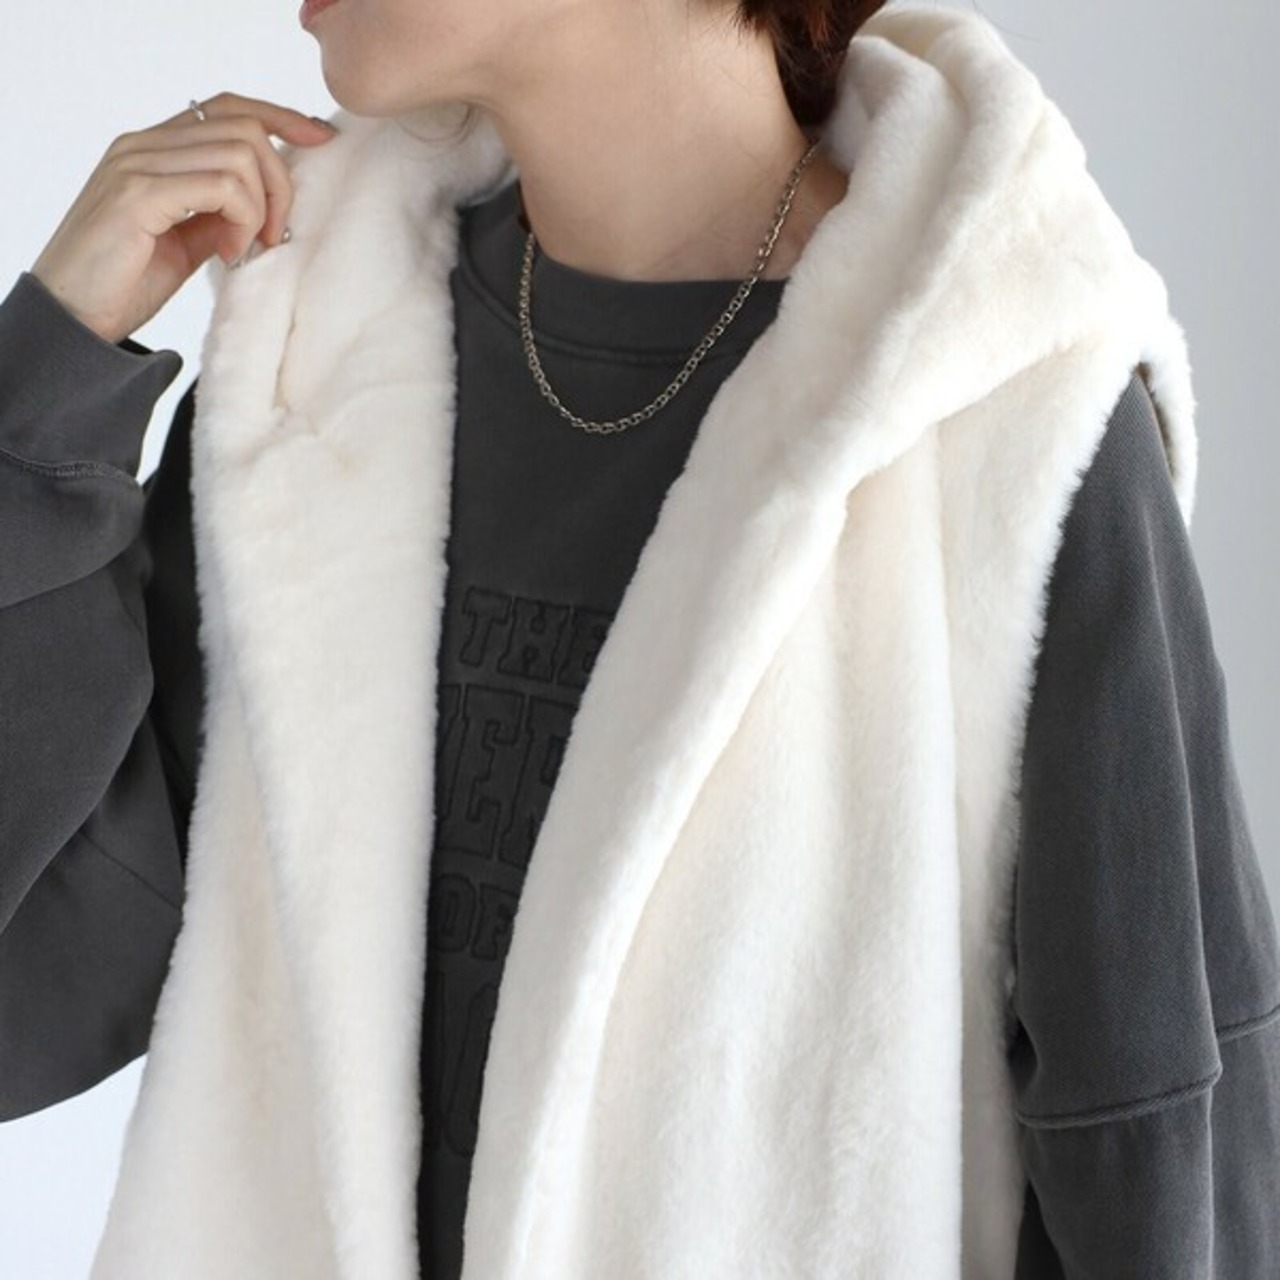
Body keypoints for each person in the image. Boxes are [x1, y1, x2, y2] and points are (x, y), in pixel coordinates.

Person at [2, 1, 1277, 1276]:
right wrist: (45, 397)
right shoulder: (313, 360)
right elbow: (30, 991)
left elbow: (1160, 1156)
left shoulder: (1000, 409)